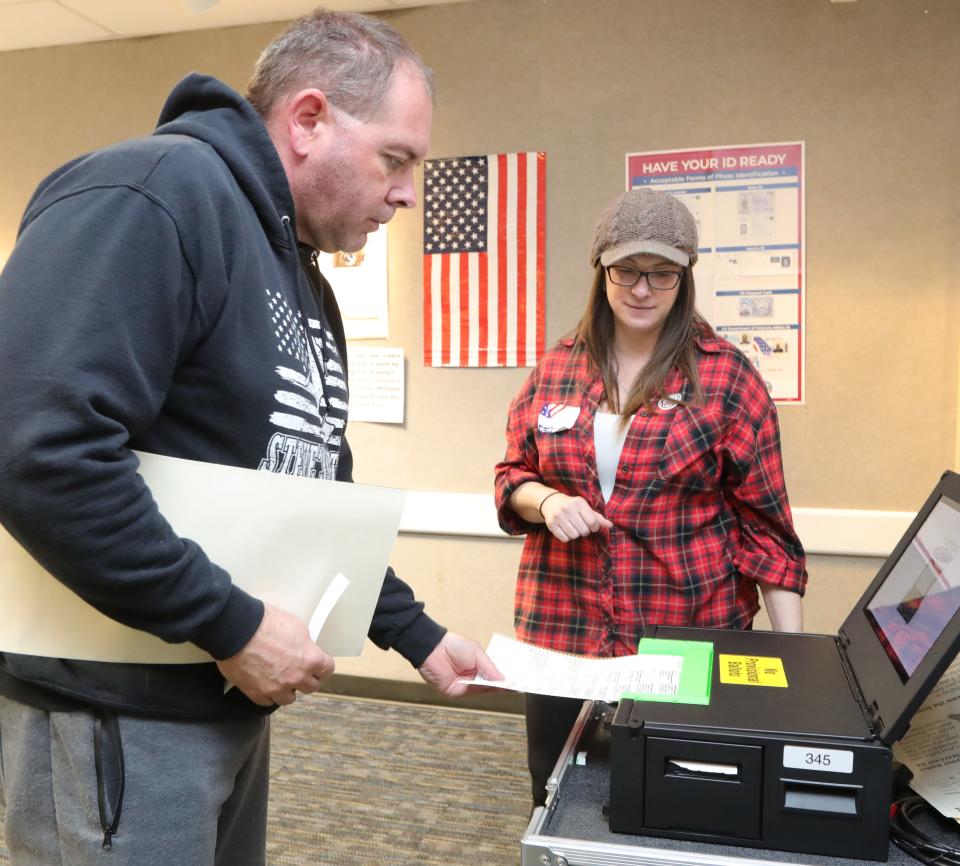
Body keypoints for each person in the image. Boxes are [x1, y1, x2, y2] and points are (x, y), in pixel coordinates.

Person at [0, 8, 499, 865]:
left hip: (218, 697)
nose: (409, 192)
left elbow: (309, 498)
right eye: (397, 158)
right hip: (122, 710)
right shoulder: (154, 194)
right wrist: (229, 622)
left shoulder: (298, 273)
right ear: (308, 121)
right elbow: (36, 447)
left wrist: (413, 633)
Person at [493, 187, 807, 806]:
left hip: (681, 633)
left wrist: (790, 662)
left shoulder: (726, 377)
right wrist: (547, 503)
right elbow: (512, 476)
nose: (642, 289)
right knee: (555, 797)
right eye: (627, 271)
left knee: (675, 801)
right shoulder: (557, 367)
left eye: (662, 274)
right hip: (562, 629)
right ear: (602, 272)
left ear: (684, 277)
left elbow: (768, 534)